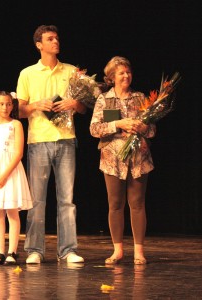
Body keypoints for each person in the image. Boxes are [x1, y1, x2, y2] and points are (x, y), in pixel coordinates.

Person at [16, 25, 86, 264]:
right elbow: (19, 110)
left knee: (67, 199)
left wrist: (73, 103)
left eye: (57, 38)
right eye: (50, 39)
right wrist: (37, 105)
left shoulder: (71, 71)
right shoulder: (27, 73)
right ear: (39, 45)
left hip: (66, 139)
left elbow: (84, 107)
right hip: (39, 141)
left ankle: (68, 250)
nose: (56, 41)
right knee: (37, 200)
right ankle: (35, 249)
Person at [90, 56, 156, 265]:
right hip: (112, 158)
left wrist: (143, 128)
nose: (126, 75)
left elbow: (152, 129)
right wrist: (118, 123)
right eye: (121, 73)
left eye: (128, 71)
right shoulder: (104, 100)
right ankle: (117, 250)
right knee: (115, 204)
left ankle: (138, 251)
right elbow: (94, 129)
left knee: (137, 204)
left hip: (138, 157)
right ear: (112, 77)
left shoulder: (140, 98)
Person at [0, 90, 33, 265]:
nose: (5, 107)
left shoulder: (16, 124)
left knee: (12, 211)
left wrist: (4, 175)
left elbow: (18, 153)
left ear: (12, 105)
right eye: (1, 104)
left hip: (10, 171)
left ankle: (12, 252)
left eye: (8, 104)